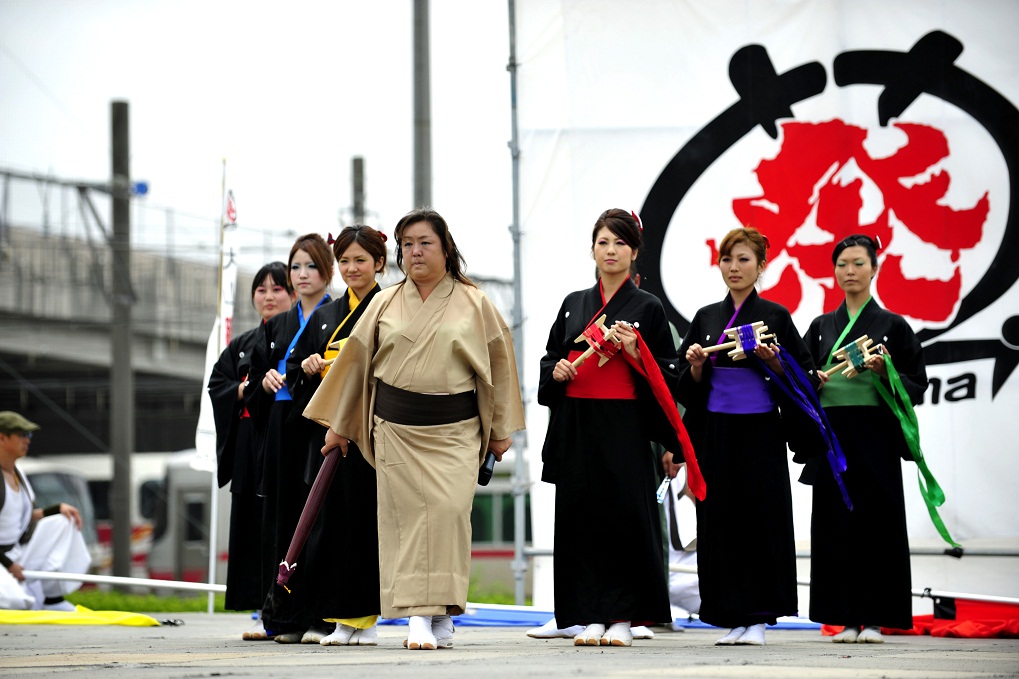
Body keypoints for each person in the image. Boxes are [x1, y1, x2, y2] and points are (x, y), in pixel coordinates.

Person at [304, 208, 525, 651]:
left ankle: (439, 608)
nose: (415, 252)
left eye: (425, 242)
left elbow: (499, 366)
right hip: (396, 430)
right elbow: (354, 367)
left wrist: (500, 429)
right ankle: (419, 618)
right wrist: (339, 426)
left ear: (446, 248)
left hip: (456, 431)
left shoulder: (475, 302)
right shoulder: (385, 303)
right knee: (405, 524)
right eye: (407, 244)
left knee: (447, 517)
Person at [537, 209, 688, 647]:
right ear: (592, 249)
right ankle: (588, 617)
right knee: (580, 518)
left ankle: (622, 617)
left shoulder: (648, 307)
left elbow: (670, 371)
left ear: (635, 252)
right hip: (579, 422)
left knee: (625, 517)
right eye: (603, 242)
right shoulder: (573, 303)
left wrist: (636, 352)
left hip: (626, 423)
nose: (610, 250)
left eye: (620, 243)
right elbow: (550, 359)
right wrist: (559, 369)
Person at [677, 226, 815, 646]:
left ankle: (758, 617)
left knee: (760, 519)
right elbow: (685, 384)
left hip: (759, 431)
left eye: (743, 260)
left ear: (760, 266)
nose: (734, 268)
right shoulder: (705, 317)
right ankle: (729, 613)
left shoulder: (775, 316)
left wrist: (774, 364)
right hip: (716, 432)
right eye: (727, 260)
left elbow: (805, 376)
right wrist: (697, 365)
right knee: (719, 521)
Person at [802, 234, 927, 644]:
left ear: (875, 267)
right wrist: (812, 380)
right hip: (834, 433)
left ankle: (875, 617)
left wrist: (884, 370)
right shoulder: (821, 327)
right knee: (835, 524)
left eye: (858, 263)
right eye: (842, 265)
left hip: (874, 433)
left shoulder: (893, 326)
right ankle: (844, 617)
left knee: (879, 521)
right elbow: (799, 378)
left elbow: (917, 384)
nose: (849, 272)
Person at [285, 225, 388, 646]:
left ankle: (362, 617)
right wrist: (310, 367)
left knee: (367, 525)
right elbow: (293, 372)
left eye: (360, 260)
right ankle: (335, 617)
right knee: (331, 526)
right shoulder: (327, 314)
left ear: (380, 262)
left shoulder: (391, 305)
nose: (352, 269)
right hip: (329, 432)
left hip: (371, 431)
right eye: (344, 261)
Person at [246, 234, 334, 644]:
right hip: (281, 423)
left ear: (326, 271)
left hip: (316, 423)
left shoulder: (338, 314)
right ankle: (280, 617)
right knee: (279, 517)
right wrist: (263, 384)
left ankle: (320, 616)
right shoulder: (279, 322)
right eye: (295, 267)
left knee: (314, 518)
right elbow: (258, 373)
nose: (301, 275)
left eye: (311, 266)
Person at [207, 261, 293, 639]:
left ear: (292, 294)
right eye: (261, 289)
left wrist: (253, 386)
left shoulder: (295, 336)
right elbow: (218, 384)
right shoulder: (241, 343)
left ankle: (287, 608)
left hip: (278, 438)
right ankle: (263, 609)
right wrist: (245, 389)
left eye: (278, 289)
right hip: (246, 445)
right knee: (251, 527)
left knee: (281, 523)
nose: (269, 296)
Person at [0, 412, 90, 611]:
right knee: (16, 603)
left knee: (63, 520)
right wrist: (10, 566)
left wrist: (57, 509)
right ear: (2, 437)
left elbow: (22, 517)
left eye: (29, 436)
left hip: (16, 552)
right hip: (3, 559)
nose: (27, 440)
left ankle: (52, 599)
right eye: (22, 435)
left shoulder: (18, 474)